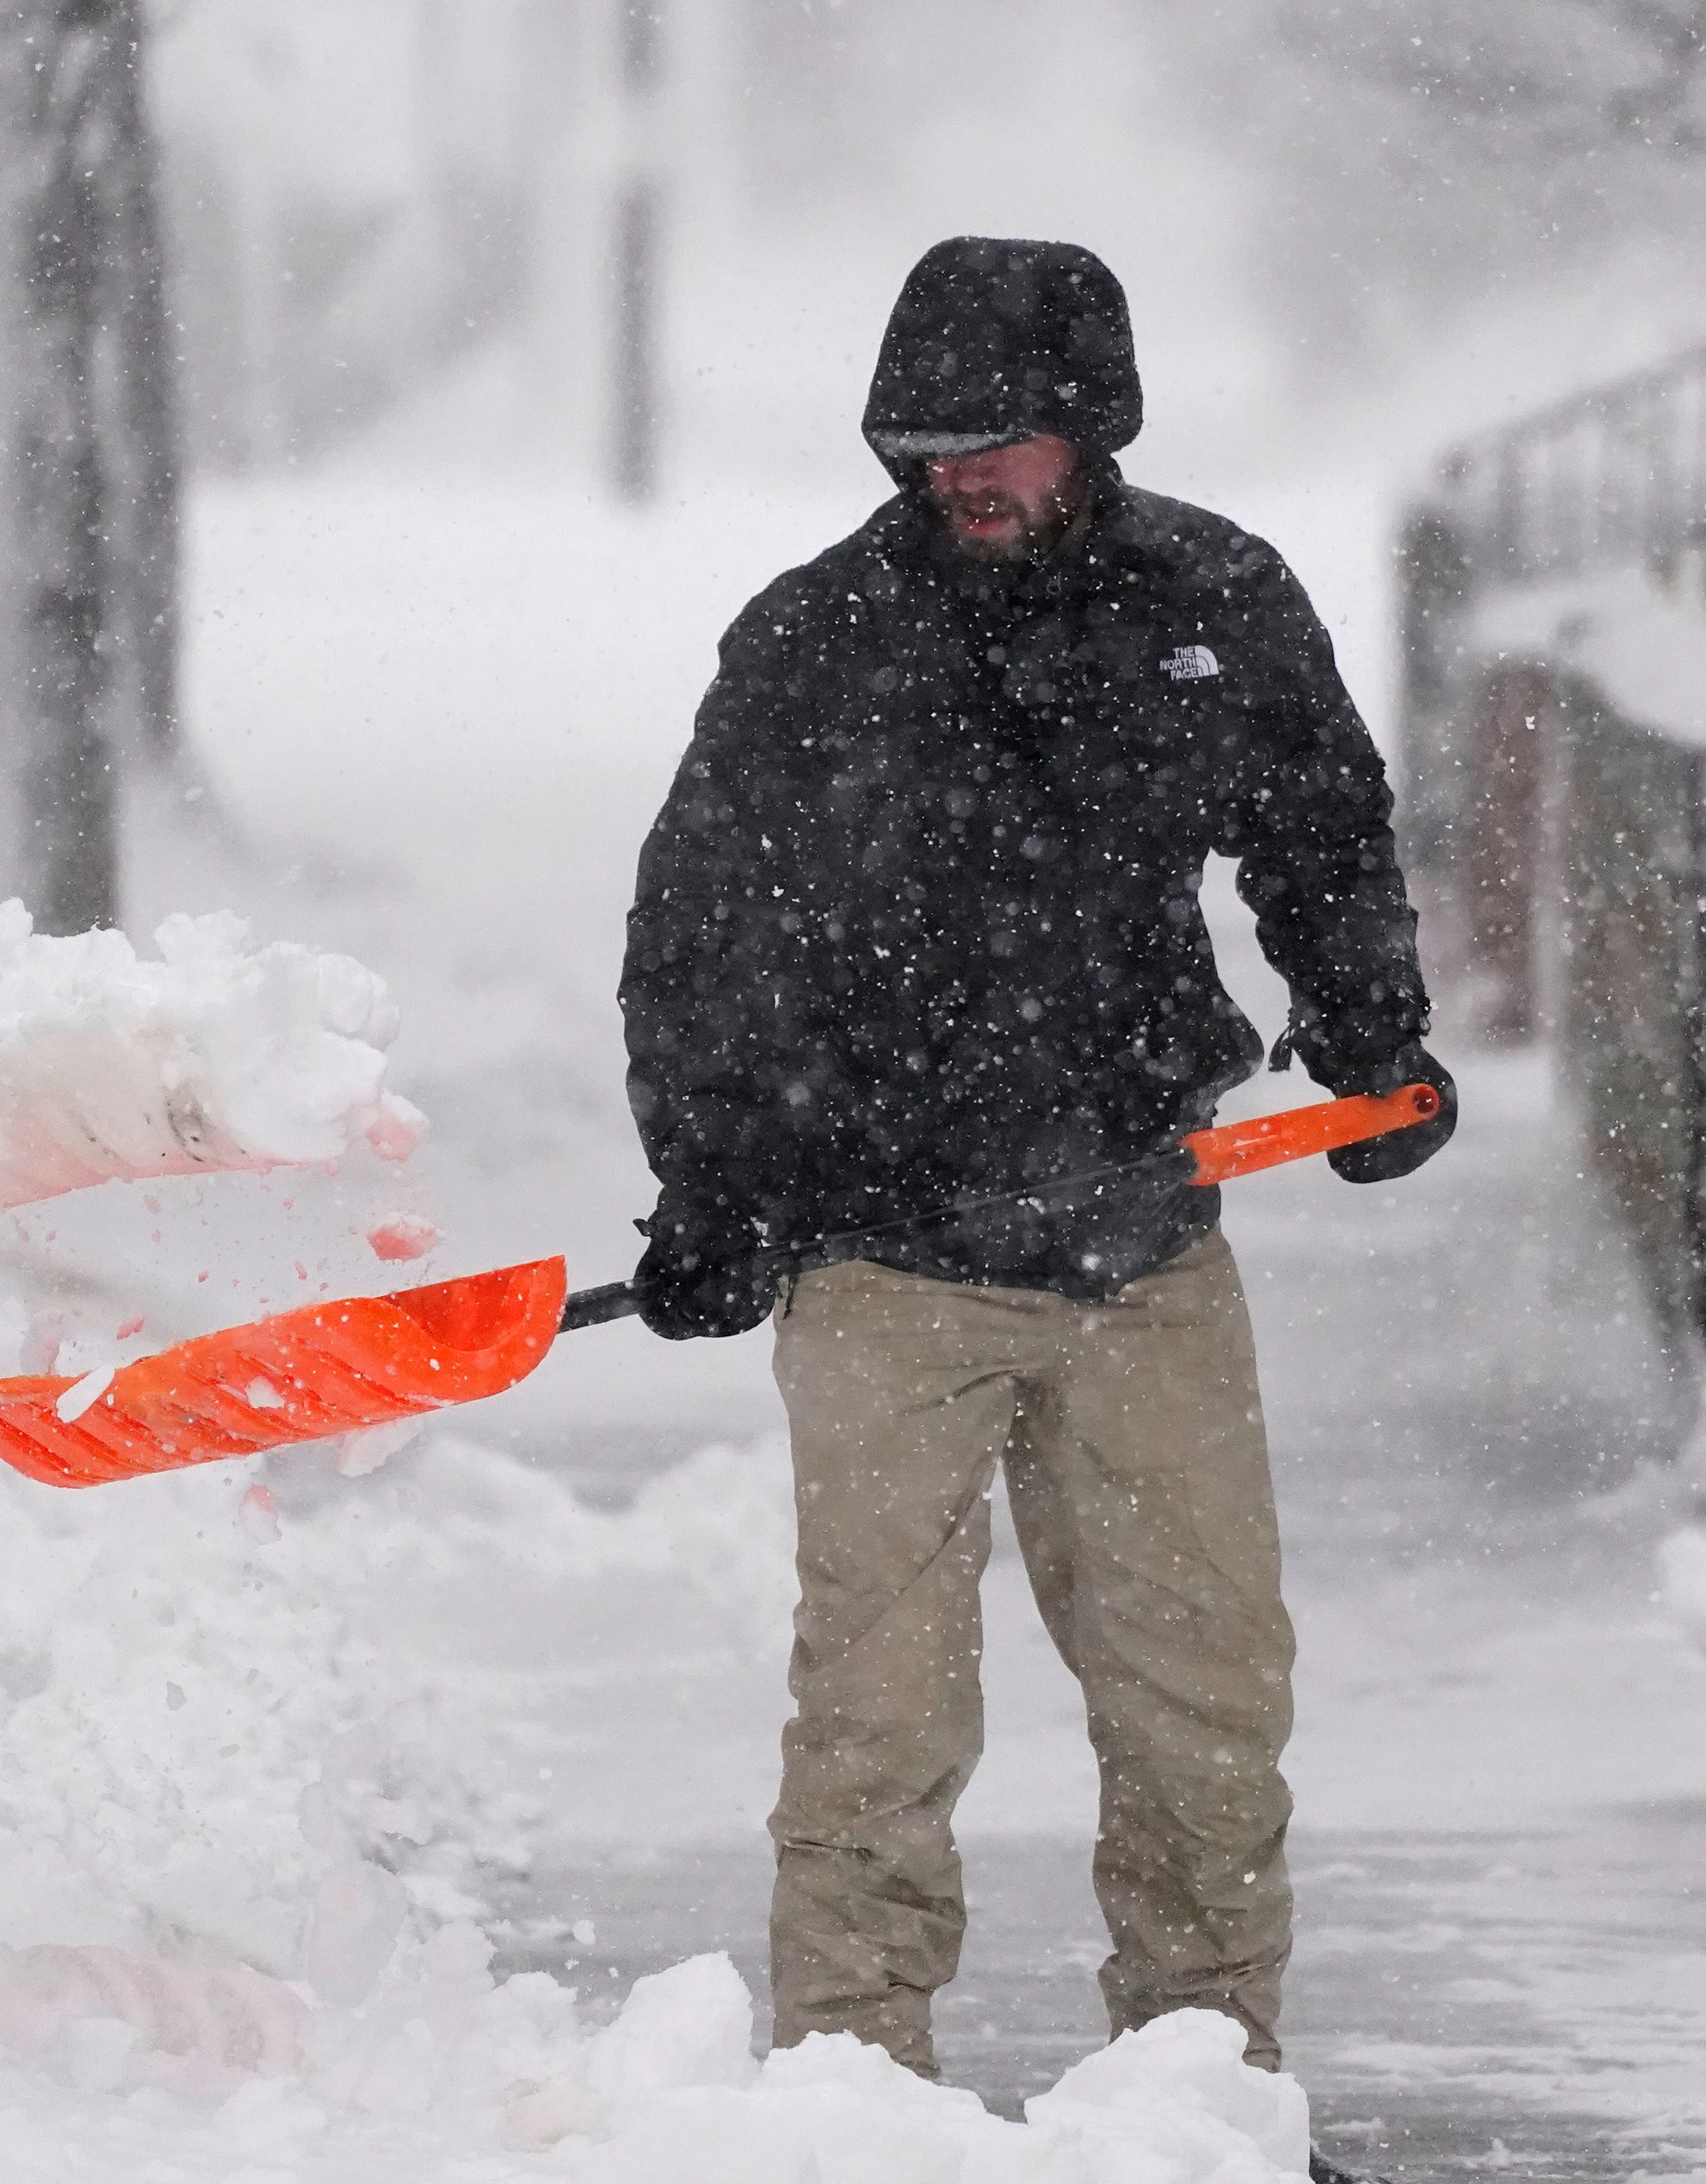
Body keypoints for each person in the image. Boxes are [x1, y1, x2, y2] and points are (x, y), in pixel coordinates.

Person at [617, 236, 1454, 2134]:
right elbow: (700, 931)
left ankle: (1208, 2098)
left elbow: (1323, 831)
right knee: (877, 1728)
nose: (953, 483)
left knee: (1207, 1708)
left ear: (1092, 426)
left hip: (1142, 1240)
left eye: (989, 445)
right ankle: (849, 2100)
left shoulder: (1215, 601)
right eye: (923, 452)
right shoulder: (816, 639)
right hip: (888, 1257)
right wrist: (716, 1181)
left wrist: (1370, 1040)